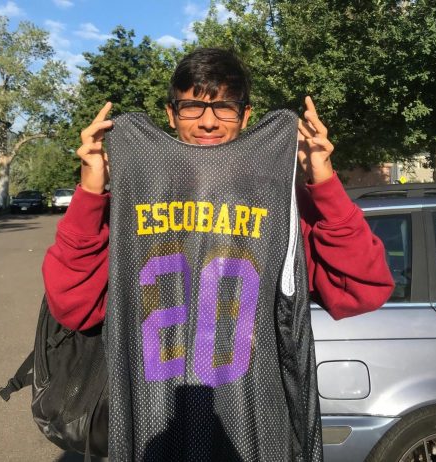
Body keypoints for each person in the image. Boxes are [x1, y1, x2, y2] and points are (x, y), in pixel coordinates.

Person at [42, 48, 394, 459]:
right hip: (154, 428)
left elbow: (363, 290)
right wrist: (89, 193)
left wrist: (324, 181)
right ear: (171, 114)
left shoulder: (276, 200)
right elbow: (73, 306)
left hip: (252, 429)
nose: (208, 121)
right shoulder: (131, 200)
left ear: (246, 116)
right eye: (193, 106)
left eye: (224, 107)